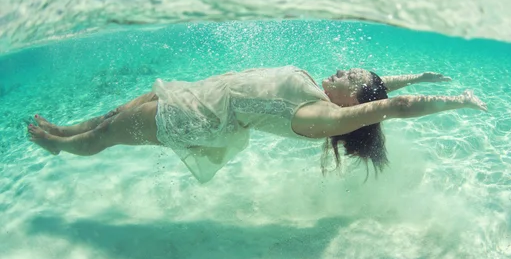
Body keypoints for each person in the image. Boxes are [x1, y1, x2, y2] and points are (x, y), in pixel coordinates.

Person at [28, 66, 487, 183]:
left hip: (196, 116)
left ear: (353, 102)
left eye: (351, 76)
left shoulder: (322, 116)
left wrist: (458, 101)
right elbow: (380, 87)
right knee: (111, 116)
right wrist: (419, 75)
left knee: (109, 136)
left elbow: (394, 106)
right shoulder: (332, 94)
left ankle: (60, 145)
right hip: (200, 93)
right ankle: (65, 130)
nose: (345, 70)